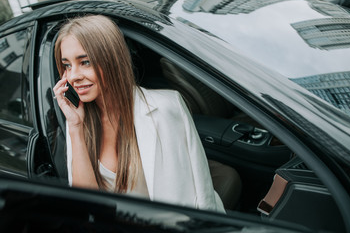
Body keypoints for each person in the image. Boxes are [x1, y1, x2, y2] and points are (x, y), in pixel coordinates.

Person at [52, 15, 225, 213]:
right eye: (67, 65)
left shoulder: (168, 106)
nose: (73, 76)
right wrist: (75, 127)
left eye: (85, 62)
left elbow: (201, 190)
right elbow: (87, 207)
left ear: (112, 60)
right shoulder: (78, 122)